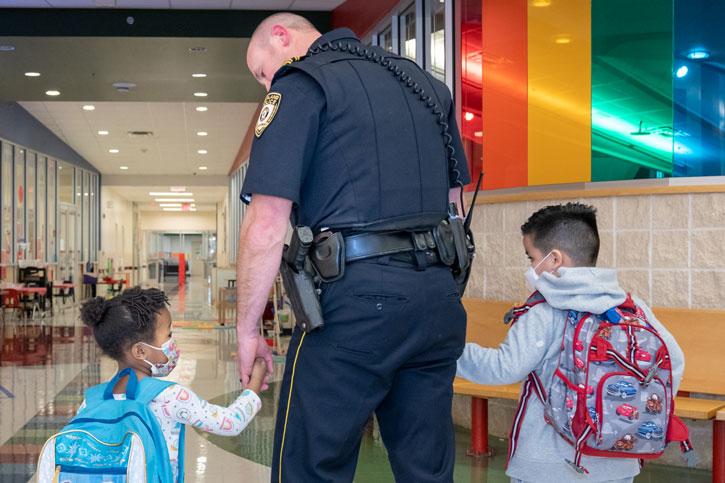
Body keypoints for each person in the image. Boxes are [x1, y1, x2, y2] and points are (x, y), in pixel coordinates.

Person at [236, 12, 470, 483]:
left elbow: (265, 224)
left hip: (355, 302)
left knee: (312, 466)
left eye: (263, 72)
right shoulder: (426, 85)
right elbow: (454, 207)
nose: (267, 86)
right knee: (428, 469)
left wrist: (247, 330)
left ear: (281, 37)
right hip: (437, 302)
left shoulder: (301, 84)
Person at [457, 203, 685, 483]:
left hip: (546, 465)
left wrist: (447, 353)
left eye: (531, 258)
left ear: (553, 259)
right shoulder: (632, 308)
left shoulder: (545, 311)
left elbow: (504, 368)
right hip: (618, 462)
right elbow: (673, 360)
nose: (530, 267)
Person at [79, 287, 267, 482]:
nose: (172, 342)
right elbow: (230, 423)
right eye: (168, 335)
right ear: (140, 352)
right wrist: (254, 384)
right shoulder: (170, 397)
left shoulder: (91, 401)